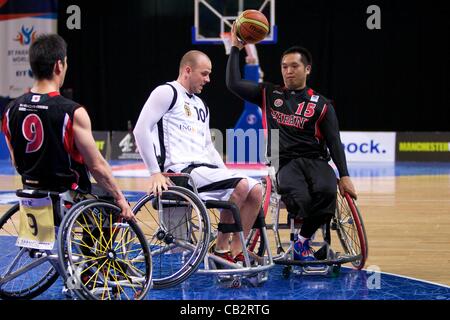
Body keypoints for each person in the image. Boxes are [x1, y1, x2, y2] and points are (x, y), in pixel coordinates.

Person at [226, 24, 357, 262]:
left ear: (307, 69)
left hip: (316, 160)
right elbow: (233, 84)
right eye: (284, 67)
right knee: (302, 199)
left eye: (294, 66)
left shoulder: (322, 104)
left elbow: (334, 141)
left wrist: (345, 175)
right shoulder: (269, 94)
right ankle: (303, 242)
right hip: (284, 162)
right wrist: (236, 48)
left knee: (327, 192)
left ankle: (302, 242)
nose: (288, 71)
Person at [133, 50, 262, 263]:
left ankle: (237, 251)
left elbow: (208, 147)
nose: (208, 80)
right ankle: (221, 250)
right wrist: (154, 172)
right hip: (179, 173)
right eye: (204, 74)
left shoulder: (201, 105)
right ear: (187, 70)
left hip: (203, 170)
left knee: (255, 189)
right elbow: (140, 130)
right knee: (239, 185)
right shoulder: (166, 92)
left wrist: (225, 172)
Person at [1, 34, 134, 221]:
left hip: (31, 195)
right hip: (67, 200)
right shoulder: (72, 112)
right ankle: (93, 251)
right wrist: (120, 198)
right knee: (112, 202)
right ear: (59, 65)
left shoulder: (9, 110)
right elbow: (96, 166)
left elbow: (16, 162)